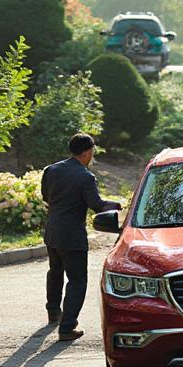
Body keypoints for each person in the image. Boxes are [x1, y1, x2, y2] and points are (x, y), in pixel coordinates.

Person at [41, 133, 121, 342]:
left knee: (55, 271)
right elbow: (96, 204)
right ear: (86, 152)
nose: (91, 157)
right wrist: (116, 205)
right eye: (92, 152)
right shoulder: (85, 176)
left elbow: (45, 197)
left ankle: (53, 312)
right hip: (72, 235)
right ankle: (67, 328)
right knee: (77, 280)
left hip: (52, 231)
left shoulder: (51, 170)